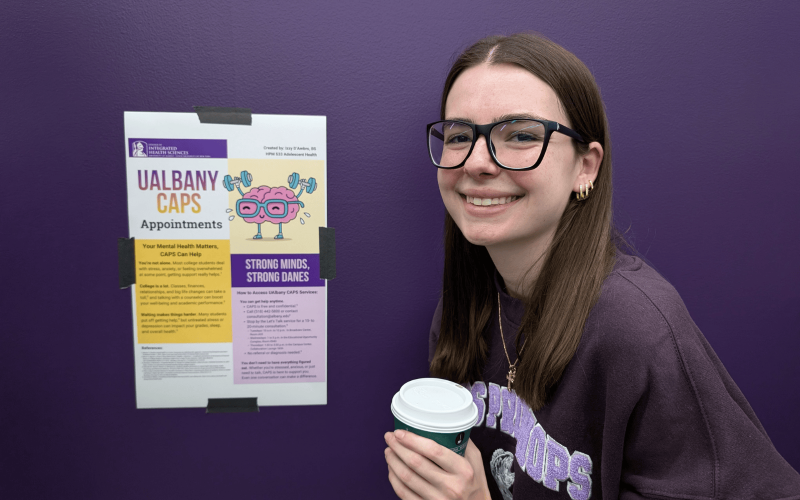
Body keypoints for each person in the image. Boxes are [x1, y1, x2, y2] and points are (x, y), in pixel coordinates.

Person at [384, 33, 800, 500]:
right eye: (460, 136)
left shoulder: (637, 329)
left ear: (586, 166)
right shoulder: (461, 313)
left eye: (520, 134)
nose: (477, 162)